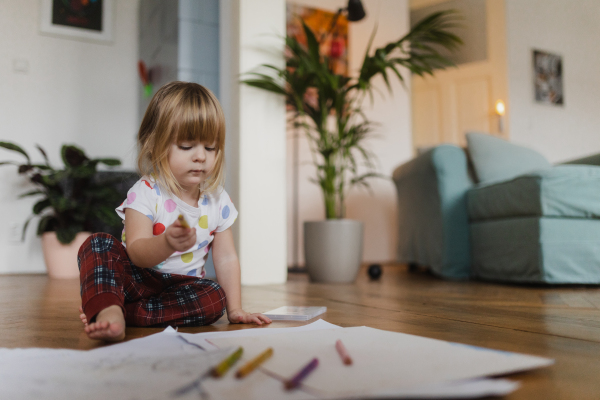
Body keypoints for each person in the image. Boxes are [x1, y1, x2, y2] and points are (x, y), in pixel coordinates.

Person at [77, 81, 272, 341]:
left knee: (214, 299)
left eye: (210, 147)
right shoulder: (146, 191)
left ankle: (122, 311)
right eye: (187, 146)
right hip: (136, 279)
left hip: (180, 290)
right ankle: (110, 310)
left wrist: (234, 310)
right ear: (156, 144)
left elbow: (225, 258)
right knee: (97, 244)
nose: (201, 156)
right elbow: (136, 252)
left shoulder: (218, 201)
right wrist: (167, 242)